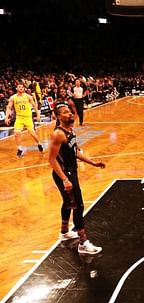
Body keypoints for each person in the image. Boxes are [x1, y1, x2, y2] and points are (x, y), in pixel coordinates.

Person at [48, 104, 105, 254]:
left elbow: (75, 152)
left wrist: (92, 162)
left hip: (71, 172)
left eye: (69, 111)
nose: (70, 113)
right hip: (64, 174)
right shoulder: (58, 134)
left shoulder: (70, 131)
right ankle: (83, 243)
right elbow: (52, 159)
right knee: (78, 206)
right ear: (59, 117)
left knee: (68, 203)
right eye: (65, 112)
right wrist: (65, 179)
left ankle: (64, 232)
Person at [5, 82, 44, 157]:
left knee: (32, 134)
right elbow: (9, 108)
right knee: (16, 133)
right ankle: (19, 149)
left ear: (24, 88)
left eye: (22, 87)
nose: (21, 88)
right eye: (19, 87)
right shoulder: (13, 97)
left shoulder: (28, 96)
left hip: (28, 118)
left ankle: (39, 143)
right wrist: (6, 117)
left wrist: (38, 115)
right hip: (19, 118)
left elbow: (35, 106)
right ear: (16, 88)